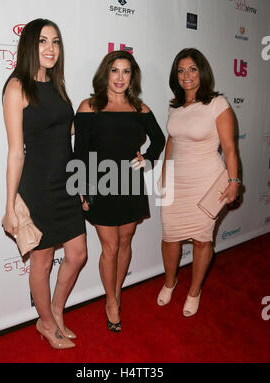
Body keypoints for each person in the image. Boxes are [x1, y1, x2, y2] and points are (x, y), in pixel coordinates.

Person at [1, 19, 87, 349]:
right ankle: (47, 324)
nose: (50, 48)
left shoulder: (57, 84)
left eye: (55, 41)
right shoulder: (16, 88)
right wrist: (10, 206)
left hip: (65, 183)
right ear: (29, 46)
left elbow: (63, 136)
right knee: (44, 260)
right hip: (37, 188)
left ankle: (54, 310)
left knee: (78, 253)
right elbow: (15, 151)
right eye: (42, 41)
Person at [73, 50, 165, 332]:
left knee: (125, 242)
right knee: (109, 247)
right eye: (115, 70)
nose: (120, 77)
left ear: (132, 76)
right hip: (100, 185)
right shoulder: (89, 106)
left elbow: (159, 140)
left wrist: (147, 159)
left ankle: (117, 291)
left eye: (126, 71)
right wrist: (82, 190)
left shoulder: (141, 109)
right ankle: (111, 300)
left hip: (129, 183)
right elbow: (81, 152)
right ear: (106, 73)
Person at [157, 48, 240, 316]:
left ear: (202, 71)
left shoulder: (217, 104)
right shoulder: (175, 105)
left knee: (203, 239)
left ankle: (195, 291)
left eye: (192, 69)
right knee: (170, 236)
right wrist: (163, 172)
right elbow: (172, 139)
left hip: (206, 181)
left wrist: (234, 180)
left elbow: (229, 148)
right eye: (181, 70)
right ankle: (170, 282)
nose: (186, 75)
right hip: (177, 181)